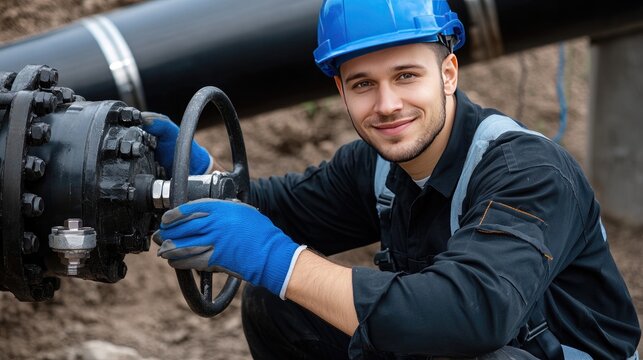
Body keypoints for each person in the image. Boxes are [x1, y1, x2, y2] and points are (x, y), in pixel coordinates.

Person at [143, 0, 641, 358]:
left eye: (406, 76)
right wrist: (200, 180)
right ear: (340, 90)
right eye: (363, 84)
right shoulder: (376, 164)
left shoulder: (527, 172)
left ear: (448, 73)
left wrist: (277, 259)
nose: (386, 105)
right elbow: (280, 208)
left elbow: (470, 316)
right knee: (280, 307)